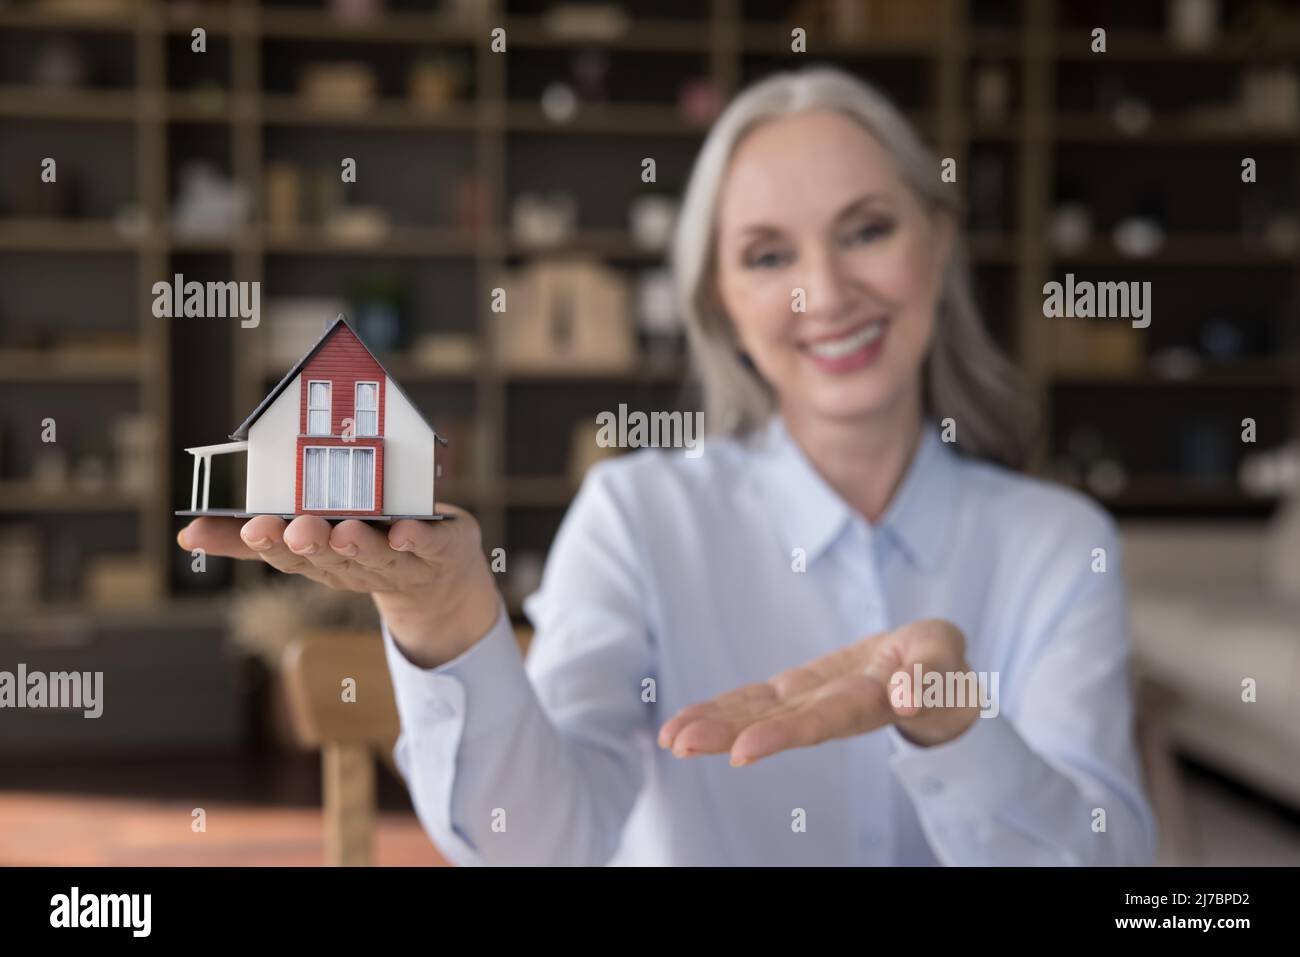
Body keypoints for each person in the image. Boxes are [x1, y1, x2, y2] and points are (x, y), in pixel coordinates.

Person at [179, 67, 1156, 866]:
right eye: (768, 255)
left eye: (866, 230)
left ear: (936, 246)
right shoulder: (637, 514)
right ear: (720, 307)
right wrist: (445, 625)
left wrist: (952, 723)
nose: (825, 290)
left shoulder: (1060, 548)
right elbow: (539, 847)